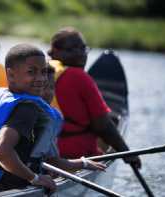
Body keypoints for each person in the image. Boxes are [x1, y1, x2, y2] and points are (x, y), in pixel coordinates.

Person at [0, 44, 106, 193]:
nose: (41, 78)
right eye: (31, 72)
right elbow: (1, 151)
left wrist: (83, 163)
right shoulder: (26, 109)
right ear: (11, 74)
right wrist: (34, 178)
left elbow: (49, 160)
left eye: (43, 72)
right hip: (12, 190)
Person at [47, 26, 141, 168]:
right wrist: (127, 154)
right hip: (77, 153)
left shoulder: (39, 71)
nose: (80, 54)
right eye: (71, 49)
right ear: (55, 52)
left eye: (83, 48)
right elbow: (103, 125)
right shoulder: (79, 77)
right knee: (111, 124)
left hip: (43, 152)